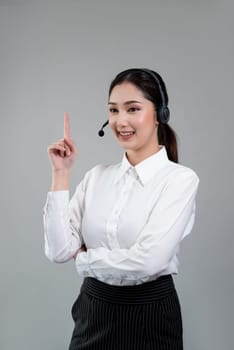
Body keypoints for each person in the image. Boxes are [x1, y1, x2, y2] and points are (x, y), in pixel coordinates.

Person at [43, 68, 200, 350]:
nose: (121, 121)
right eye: (114, 110)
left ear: (160, 115)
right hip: (93, 314)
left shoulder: (180, 180)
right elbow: (57, 250)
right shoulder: (96, 177)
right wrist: (61, 174)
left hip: (150, 316)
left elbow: (148, 262)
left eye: (133, 109)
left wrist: (85, 261)